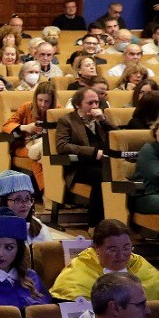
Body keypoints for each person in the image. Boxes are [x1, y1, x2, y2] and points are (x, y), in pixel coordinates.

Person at [51, 219, 159, 302]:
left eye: (126, 248)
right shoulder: (80, 269)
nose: (121, 255)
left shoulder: (137, 263)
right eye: (113, 249)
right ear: (97, 249)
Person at [54, 87, 110, 223]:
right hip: (79, 166)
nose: (95, 106)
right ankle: (94, 223)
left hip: (105, 162)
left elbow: (118, 137)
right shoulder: (67, 121)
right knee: (102, 175)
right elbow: (62, 146)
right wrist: (93, 152)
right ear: (78, 104)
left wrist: (103, 120)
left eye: (96, 102)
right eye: (90, 103)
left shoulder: (101, 119)